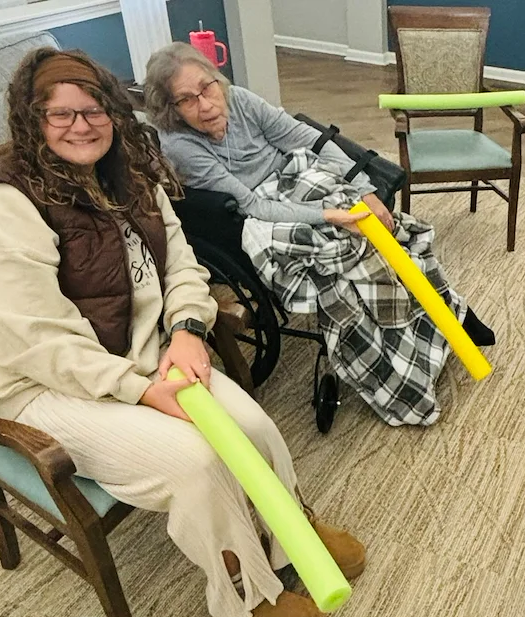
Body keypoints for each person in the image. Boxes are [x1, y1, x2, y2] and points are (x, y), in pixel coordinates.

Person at [0, 48, 364, 617]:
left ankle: (289, 530)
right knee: (193, 462)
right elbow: (38, 342)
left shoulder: (129, 177)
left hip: (148, 353)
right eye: (59, 115)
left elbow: (183, 268)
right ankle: (245, 590)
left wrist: (189, 332)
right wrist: (141, 390)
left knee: (252, 423)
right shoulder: (4, 205)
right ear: (31, 120)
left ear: (115, 113)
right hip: (45, 388)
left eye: (93, 110)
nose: (81, 126)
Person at [144, 42, 494, 428]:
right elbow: (253, 207)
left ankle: (448, 315)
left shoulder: (239, 99)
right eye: (187, 100)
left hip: (297, 176)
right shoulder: (179, 146)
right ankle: (403, 376)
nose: (206, 103)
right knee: (353, 257)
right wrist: (330, 216)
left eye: (207, 87)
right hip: (260, 210)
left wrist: (363, 189)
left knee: (393, 231)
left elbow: (306, 139)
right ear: (171, 110)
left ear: (217, 80)